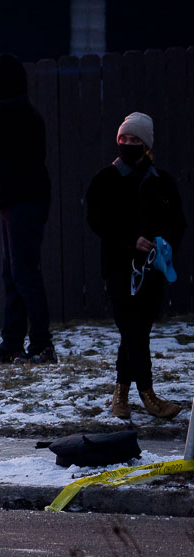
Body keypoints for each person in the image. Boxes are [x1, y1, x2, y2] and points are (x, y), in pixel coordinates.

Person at [85, 113, 187, 420]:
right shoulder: (106, 180)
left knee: (138, 331)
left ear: (146, 144)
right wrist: (131, 240)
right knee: (132, 330)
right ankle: (148, 395)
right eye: (124, 139)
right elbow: (97, 221)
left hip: (152, 270)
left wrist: (162, 242)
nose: (128, 144)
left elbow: (178, 222)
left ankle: (121, 393)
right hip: (119, 268)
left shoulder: (161, 182)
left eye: (135, 140)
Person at [0, 53, 55, 364]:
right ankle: (13, 344)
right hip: (21, 200)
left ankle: (41, 344)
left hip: (22, 201)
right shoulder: (19, 110)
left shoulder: (9, 111)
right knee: (14, 274)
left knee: (23, 273)